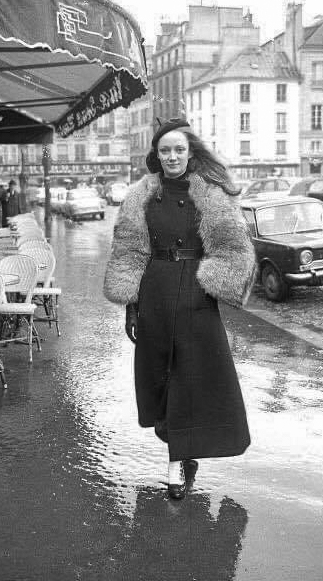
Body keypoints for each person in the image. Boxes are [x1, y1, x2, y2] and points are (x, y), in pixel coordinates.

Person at [103, 118, 257, 499]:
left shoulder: (211, 194)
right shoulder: (139, 196)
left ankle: (179, 463)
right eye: (165, 150)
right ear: (155, 155)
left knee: (191, 378)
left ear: (190, 153)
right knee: (162, 377)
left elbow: (234, 247)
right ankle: (179, 452)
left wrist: (213, 283)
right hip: (154, 289)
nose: (172, 156)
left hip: (194, 295)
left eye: (178, 150)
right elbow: (128, 253)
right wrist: (131, 307)